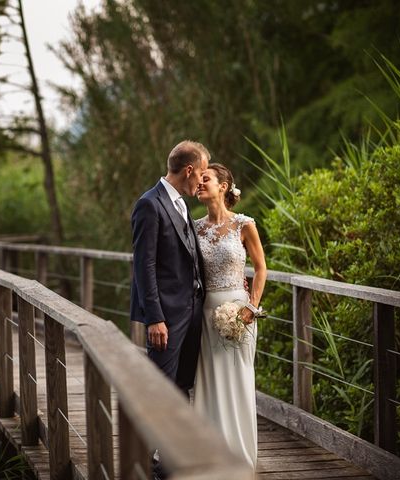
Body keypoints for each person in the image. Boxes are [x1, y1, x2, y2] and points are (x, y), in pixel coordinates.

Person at [193, 163, 267, 470]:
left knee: (237, 381)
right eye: (198, 180)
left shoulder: (244, 224)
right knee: (208, 385)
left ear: (223, 186)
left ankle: (240, 460)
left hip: (239, 314)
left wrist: (251, 307)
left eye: (205, 179)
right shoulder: (193, 227)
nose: (199, 183)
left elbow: (261, 268)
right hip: (204, 314)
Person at [130, 140, 209, 397]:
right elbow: (144, 266)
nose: (201, 181)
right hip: (166, 317)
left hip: (193, 312)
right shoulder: (149, 204)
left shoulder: (182, 204)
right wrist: (154, 318)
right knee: (160, 389)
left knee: (182, 386)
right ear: (189, 170)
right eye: (201, 173)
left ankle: (181, 438)